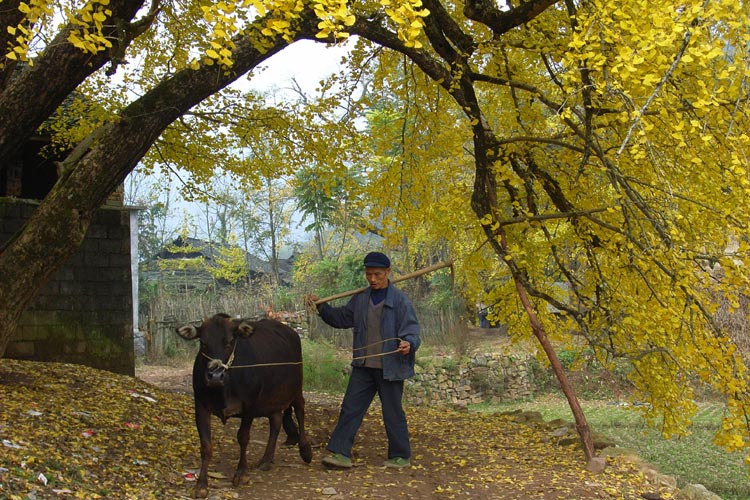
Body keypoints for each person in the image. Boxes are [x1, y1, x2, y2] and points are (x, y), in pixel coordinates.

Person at [305, 251, 420, 470]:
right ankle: (340, 453)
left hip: (390, 367)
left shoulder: (400, 301)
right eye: (369, 274)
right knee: (350, 408)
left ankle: (400, 456)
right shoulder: (360, 299)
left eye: (377, 274)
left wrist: (409, 344)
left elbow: (412, 330)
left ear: (388, 272)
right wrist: (322, 307)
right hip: (363, 366)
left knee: (393, 412)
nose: (372, 279)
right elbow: (341, 319)